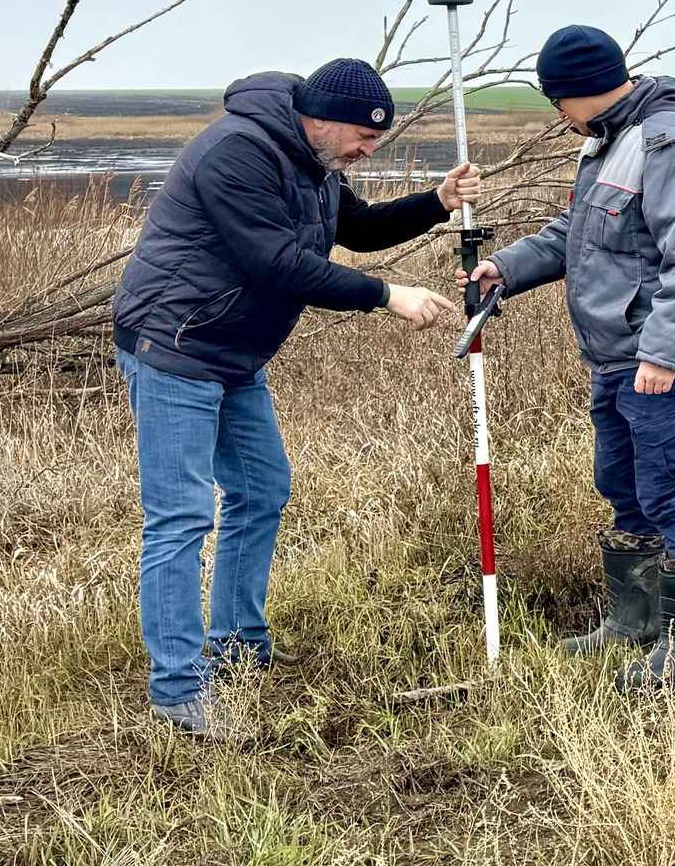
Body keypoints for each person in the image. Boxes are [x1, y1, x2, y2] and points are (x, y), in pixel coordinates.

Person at [114, 58, 481, 738]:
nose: (368, 152)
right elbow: (276, 263)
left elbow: (359, 228)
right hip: (174, 345)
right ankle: (177, 692)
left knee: (261, 489)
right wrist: (385, 294)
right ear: (322, 118)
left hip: (231, 351)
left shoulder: (313, 160)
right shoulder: (238, 152)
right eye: (363, 139)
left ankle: (237, 648)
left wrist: (436, 202)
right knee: (181, 517)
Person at [459, 26, 675, 691]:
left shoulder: (670, 137)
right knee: (622, 485)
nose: (558, 116)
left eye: (556, 102)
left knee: (669, 488)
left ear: (569, 94)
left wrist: (665, 351)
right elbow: (578, 235)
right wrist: (506, 266)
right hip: (617, 355)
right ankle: (632, 621)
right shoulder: (612, 139)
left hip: (657, 353)